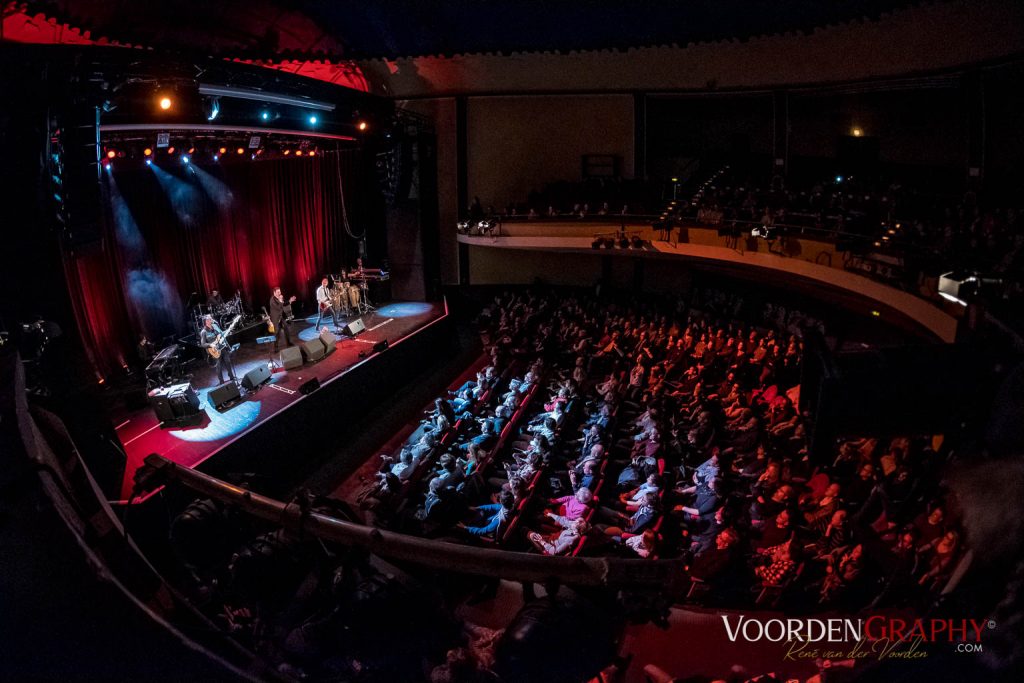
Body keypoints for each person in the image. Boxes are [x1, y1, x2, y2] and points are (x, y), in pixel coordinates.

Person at [199, 315, 236, 385]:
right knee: (218, 367)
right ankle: (221, 382)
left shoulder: (215, 326)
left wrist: (229, 329)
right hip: (214, 351)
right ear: (206, 322)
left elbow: (221, 334)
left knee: (228, 362)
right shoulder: (203, 332)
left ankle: (232, 378)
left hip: (222, 347)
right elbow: (203, 344)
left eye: (211, 318)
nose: (211, 320)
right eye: (209, 319)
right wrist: (211, 345)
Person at [268, 286, 296, 352]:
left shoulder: (279, 298)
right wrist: (280, 300)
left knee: (286, 329)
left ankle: (289, 343)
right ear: (274, 293)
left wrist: (290, 301)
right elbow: (278, 307)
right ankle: (276, 348)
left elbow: (283, 304)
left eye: (280, 291)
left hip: (281, 317)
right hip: (276, 319)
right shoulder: (272, 300)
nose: (279, 293)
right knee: (277, 333)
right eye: (278, 292)